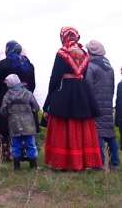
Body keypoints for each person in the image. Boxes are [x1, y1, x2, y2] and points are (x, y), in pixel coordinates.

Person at [43, 27, 102, 171]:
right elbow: (84, 73)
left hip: (64, 92)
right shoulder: (85, 54)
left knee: (63, 125)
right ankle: (81, 162)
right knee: (82, 125)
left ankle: (63, 163)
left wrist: (48, 101)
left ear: (63, 37)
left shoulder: (62, 53)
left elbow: (55, 77)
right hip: (82, 91)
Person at [0, 40, 35, 162]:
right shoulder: (28, 65)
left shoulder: (2, 65)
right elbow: (33, 85)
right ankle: (25, 153)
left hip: (6, 100)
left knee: (4, 129)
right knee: (25, 128)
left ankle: (6, 154)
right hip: (25, 102)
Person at [85, 40, 119, 170]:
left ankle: (99, 164)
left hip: (96, 104)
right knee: (110, 133)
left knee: (98, 133)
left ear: (91, 52)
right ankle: (115, 163)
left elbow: (87, 86)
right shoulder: (109, 67)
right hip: (108, 103)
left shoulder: (91, 66)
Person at [0, 74, 40, 170]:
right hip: (28, 124)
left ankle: (16, 165)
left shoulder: (7, 96)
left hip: (14, 124)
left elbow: (3, 111)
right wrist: (32, 111)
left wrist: (9, 114)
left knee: (15, 144)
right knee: (30, 144)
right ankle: (33, 165)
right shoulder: (27, 93)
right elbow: (36, 107)